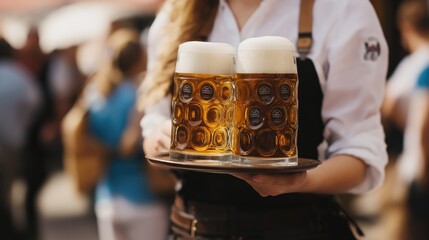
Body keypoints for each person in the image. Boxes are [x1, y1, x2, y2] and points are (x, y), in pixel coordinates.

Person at [140, 0, 388, 239]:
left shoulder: (341, 9)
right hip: (192, 229)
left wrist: (302, 181)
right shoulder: (174, 14)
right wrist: (160, 138)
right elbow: (153, 125)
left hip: (299, 230)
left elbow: (361, 154)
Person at [85, 28, 168, 240]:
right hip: (142, 198)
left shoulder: (95, 94)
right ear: (139, 58)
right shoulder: (138, 96)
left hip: (106, 198)